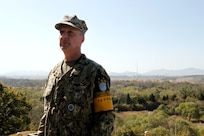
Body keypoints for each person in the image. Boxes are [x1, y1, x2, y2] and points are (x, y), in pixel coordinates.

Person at [37, 15, 115, 136]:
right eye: (62, 32)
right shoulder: (54, 73)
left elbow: (105, 119)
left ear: (82, 38)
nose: (64, 37)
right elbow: (47, 116)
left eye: (70, 33)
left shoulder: (95, 72)